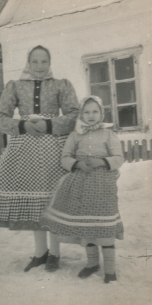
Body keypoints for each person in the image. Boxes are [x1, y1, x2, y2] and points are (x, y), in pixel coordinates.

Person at [0, 45, 79, 272]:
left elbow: (73, 114)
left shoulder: (60, 85)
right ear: (28, 63)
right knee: (34, 204)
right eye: (35, 62)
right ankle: (40, 253)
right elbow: (0, 117)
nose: (40, 66)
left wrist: (49, 124)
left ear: (50, 63)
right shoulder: (15, 86)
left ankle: (55, 254)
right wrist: (23, 125)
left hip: (53, 150)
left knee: (52, 202)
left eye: (44, 62)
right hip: (24, 150)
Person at [41, 95, 124, 283]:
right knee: (87, 225)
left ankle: (110, 269)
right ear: (81, 114)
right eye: (87, 112)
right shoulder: (75, 135)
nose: (91, 115)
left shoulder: (109, 135)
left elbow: (119, 158)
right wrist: (77, 164)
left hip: (103, 187)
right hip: (80, 186)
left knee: (104, 226)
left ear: (101, 113)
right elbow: (65, 157)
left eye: (95, 111)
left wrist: (102, 161)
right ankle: (92, 263)